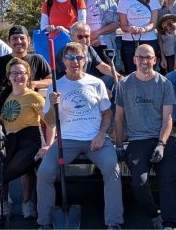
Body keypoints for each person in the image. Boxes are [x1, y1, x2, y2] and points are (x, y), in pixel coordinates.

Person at [36, 43, 124, 229]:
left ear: (85, 60)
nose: (74, 62)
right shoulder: (56, 85)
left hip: (95, 138)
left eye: (78, 58)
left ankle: (114, 222)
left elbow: (107, 114)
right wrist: (52, 105)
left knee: (112, 168)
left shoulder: (96, 83)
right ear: (63, 61)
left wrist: (101, 134)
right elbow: (51, 123)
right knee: (44, 173)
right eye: (70, 58)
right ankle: (44, 222)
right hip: (66, 140)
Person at [0, 25, 53, 218]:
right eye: (14, 39)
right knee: (3, 160)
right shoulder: (1, 62)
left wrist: (34, 84)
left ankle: (27, 203)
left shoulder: (37, 60)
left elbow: (52, 80)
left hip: (29, 117)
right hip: (4, 116)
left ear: (28, 40)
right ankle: (3, 203)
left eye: (22, 38)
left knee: (25, 166)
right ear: (9, 42)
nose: (19, 42)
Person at [114, 44, 176, 230]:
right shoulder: (124, 84)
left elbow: (168, 117)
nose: (144, 61)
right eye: (140, 57)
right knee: (139, 183)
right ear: (134, 59)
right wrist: (119, 145)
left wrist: (162, 144)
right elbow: (119, 117)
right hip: (138, 141)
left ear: (154, 60)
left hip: (162, 139)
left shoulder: (164, 84)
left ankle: (168, 223)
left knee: (168, 180)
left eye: (148, 57)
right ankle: (153, 214)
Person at [0, 58, 54, 218]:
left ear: (27, 76)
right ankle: (4, 205)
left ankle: (27, 203)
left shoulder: (33, 97)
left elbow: (50, 123)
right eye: (14, 73)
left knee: (12, 172)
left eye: (22, 73)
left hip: (30, 140)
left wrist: (48, 145)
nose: (18, 76)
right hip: (11, 141)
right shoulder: (7, 98)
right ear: (9, 77)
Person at [117, 0, 161, 74]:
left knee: (149, 72)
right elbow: (123, 25)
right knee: (131, 72)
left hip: (149, 39)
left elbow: (154, 23)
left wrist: (144, 29)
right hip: (129, 42)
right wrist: (130, 28)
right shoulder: (123, 0)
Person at [55, 22, 120, 91]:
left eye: (87, 36)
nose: (84, 40)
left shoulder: (88, 48)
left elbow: (102, 66)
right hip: (70, 87)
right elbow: (74, 76)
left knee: (112, 79)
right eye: (80, 37)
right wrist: (102, 89)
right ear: (72, 37)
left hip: (87, 82)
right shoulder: (65, 52)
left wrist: (120, 78)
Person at [82, 0, 119, 64]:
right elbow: (76, 24)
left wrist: (97, 33)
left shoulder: (112, 3)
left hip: (107, 46)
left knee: (109, 77)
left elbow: (115, 25)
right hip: (86, 47)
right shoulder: (80, 1)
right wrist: (91, 40)